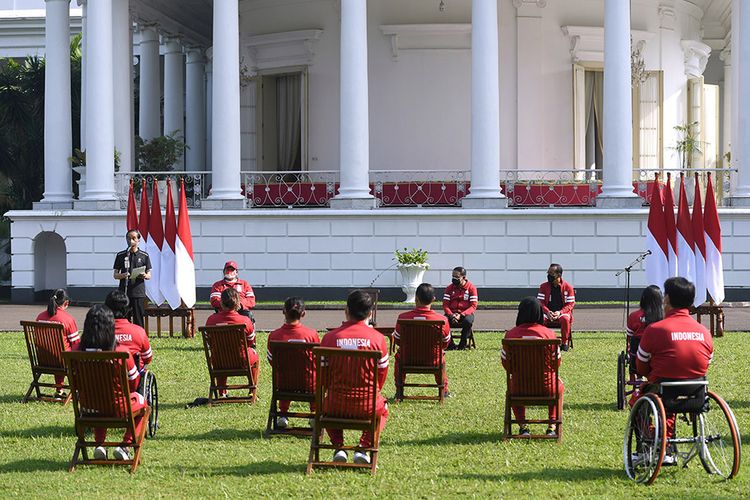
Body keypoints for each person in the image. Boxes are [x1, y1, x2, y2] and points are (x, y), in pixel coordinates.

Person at [635, 277, 713, 463]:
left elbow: (641, 365)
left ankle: (651, 444)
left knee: (636, 402)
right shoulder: (703, 331)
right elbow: (707, 361)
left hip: (662, 388)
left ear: (667, 299)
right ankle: (667, 445)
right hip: (696, 391)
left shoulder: (655, 329)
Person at [320, 290, 389, 466]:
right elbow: (381, 375)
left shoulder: (329, 338)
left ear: (346, 310)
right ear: (370, 312)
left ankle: (339, 446)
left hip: (334, 405)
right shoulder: (378, 339)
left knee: (325, 405)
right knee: (384, 409)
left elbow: (323, 376)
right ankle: (364, 447)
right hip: (368, 405)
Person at [79, 304, 146, 462]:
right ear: (111, 328)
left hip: (89, 407)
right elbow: (134, 382)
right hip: (118, 407)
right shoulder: (121, 353)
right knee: (143, 403)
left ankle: (99, 444)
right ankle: (125, 446)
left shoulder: (76, 352)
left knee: (98, 398)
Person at [501, 297, 564, 437]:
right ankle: (552, 426)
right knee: (559, 385)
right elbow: (556, 363)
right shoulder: (549, 334)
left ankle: (523, 427)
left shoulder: (511, 335)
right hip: (547, 387)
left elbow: (506, 364)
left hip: (519, 387)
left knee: (511, 386)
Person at [267, 297, 321, 429]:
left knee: (285, 374)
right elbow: (317, 360)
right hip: (309, 384)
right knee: (315, 378)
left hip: (283, 383)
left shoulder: (274, 335)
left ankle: (283, 414)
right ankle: (314, 413)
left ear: (283, 311)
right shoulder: (311, 335)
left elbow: (271, 359)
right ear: (303, 313)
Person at [394, 283, 451, 398]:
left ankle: (399, 389)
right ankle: (444, 390)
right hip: (433, 359)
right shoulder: (442, 320)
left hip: (407, 359)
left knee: (399, 356)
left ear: (416, 298)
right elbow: (446, 342)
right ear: (433, 299)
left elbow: (397, 339)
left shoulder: (403, 317)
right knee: (441, 357)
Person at [205, 288, 259, 395]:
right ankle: (252, 390)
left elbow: (209, 341)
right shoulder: (245, 320)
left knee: (219, 353)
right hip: (242, 360)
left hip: (218, 361)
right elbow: (251, 341)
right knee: (254, 355)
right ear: (238, 303)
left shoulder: (211, 320)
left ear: (221, 302)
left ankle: (221, 391)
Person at [36, 288, 80, 399]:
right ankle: (79, 390)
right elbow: (75, 344)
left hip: (42, 359)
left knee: (58, 352)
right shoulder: (67, 319)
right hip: (61, 361)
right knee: (68, 353)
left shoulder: (40, 317)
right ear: (66, 303)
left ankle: (59, 390)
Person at [113, 229, 152, 329]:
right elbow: (115, 275)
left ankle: (140, 337)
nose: (131, 241)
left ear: (138, 240)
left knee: (138, 317)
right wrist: (123, 275)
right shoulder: (121, 255)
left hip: (138, 292)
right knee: (123, 318)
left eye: (134, 238)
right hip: (124, 292)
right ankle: (124, 335)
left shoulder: (144, 256)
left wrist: (144, 275)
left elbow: (149, 275)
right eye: (129, 238)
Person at [105, 290, 154, 371]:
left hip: (105, 379)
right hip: (132, 379)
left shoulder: (98, 333)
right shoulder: (139, 331)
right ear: (128, 309)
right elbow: (148, 358)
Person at [536, 263, 575, 351]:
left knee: (565, 319)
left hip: (562, 312)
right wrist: (547, 311)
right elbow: (540, 302)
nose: (548, 276)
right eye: (548, 273)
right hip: (547, 312)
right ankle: (541, 342)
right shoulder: (543, 286)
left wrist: (559, 312)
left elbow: (570, 304)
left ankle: (564, 343)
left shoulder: (568, 287)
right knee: (539, 318)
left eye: (551, 274)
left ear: (559, 275)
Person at [626, 285, 663, 376]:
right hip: (660, 358)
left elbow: (629, 337)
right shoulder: (664, 317)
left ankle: (638, 376)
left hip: (638, 356)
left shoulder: (634, 316)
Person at [442, 266, 478, 350]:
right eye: (453, 276)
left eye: (457, 277)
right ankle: (450, 345)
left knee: (468, 321)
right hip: (452, 312)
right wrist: (451, 315)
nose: (454, 279)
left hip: (466, 313)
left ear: (463, 277)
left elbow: (473, 306)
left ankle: (462, 345)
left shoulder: (471, 288)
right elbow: (445, 305)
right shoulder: (449, 288)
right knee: (443, 322)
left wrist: (461, 315)